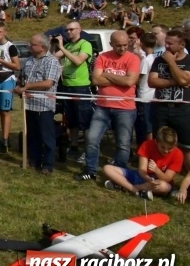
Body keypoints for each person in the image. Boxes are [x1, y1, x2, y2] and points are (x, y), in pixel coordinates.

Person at [75, 31, 140, 182]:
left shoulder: (133, 59)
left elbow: (130, 82)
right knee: (92, 138)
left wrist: (107, 75)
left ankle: (119, 173)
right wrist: (121, 79)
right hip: (103, 107)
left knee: (123, 144)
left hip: (125, 108)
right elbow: (96, 80)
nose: (122, 48)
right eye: (118, 45)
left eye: (125, 45)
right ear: (111, 44)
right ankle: (91, 170)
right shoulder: (103, 57)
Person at [14, 34, 61, 174]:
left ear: (42, 47)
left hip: (44, 105)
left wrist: (27, 86)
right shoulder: (29, 60)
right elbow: (22, 77)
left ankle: (48, 164)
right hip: (29, 104)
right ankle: (34, 159)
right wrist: (19, 84)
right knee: (32, 135)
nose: (30, 46)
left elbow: (48, 83)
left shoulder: (51, 61)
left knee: (47, 137)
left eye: (33, 44)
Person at [102, 126, 182, 201]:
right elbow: (141, 170)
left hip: (159, 181)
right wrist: (148, 179)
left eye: (170, 148)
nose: (166, 151)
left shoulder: (178, 154)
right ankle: (136, 190)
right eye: (162, 147)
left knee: (164, 186)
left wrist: (156, 170)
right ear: (156, 142)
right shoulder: (147, 145)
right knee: (107, 168)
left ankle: (128, 187)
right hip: (142, 176)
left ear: (175, 145)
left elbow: (167, 179)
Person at [148, 29, 190, 171]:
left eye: (171, 44)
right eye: (166, 43)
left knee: (186, 146)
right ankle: (158, 174)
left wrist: (171, 62)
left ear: (182, 45)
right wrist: (175, 81)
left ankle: (186, 176)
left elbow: (185, 80)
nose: (166, 46)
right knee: (159, 142)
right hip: (161, 108)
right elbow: (152, 82)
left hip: (182, 110)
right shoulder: (159, 60)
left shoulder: (188, 61)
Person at [54, 21, 94, 161]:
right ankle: (74, 146)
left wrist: (62, 48)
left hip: (80, 87)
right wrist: (53, 45)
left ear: (79, 30)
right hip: (67, 86)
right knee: (72, 120)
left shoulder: (85, 44)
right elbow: (53, 57)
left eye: (71, 29)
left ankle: (89, 151)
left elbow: (78, 61)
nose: (68, 32)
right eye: (67, 30)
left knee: (85, 121)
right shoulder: (68, 46)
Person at [0, 24, 20, 154]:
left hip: (7, 79)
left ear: (5, 32)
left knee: (6, 110)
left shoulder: (10, 47)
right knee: (0, 110)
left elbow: (17, 66)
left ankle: (6, 141)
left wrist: (1, 61)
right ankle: (3, 138)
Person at [134, 33, 157, 146]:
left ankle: (149, 148)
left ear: (142, 44)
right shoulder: (156, 58)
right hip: (153, 95)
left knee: (147, 126)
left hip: (144, 96)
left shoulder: (146, 61)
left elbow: (139, 78)